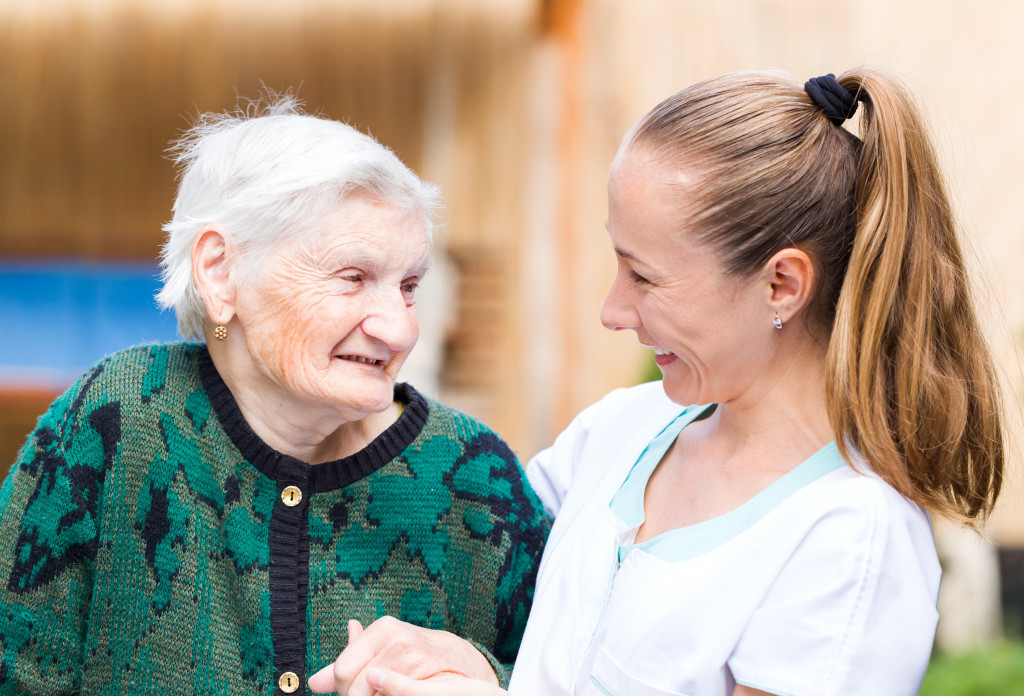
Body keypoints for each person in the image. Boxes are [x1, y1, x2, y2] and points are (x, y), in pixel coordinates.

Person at [309, 67, 1005, 696]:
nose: (612, 312)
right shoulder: (619, 430)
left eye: (645, 277)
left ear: (782, 285)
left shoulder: (850, 539)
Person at [0, 97, 549, 695]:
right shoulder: (120, 418)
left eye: (409, 286)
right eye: (353, 278)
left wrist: (488, 685)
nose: (400, 329)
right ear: (220, 271)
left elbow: (573, 675)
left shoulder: (477, 479)